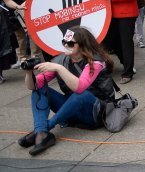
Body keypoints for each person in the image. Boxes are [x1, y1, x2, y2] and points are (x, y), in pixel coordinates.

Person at [18, 27, 114, 155]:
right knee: (39, 90)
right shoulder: (62, 60)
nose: (65, 45)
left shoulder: (96, 62)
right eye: (64, 42)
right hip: (72, 109)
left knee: (81, 94)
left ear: (82, 45)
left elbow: (80, 87)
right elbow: (33, 86)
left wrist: (58, 68)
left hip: (96, 112)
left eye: (70, 43)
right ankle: (42, 132)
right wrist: (29, 73)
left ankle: (42, 130)